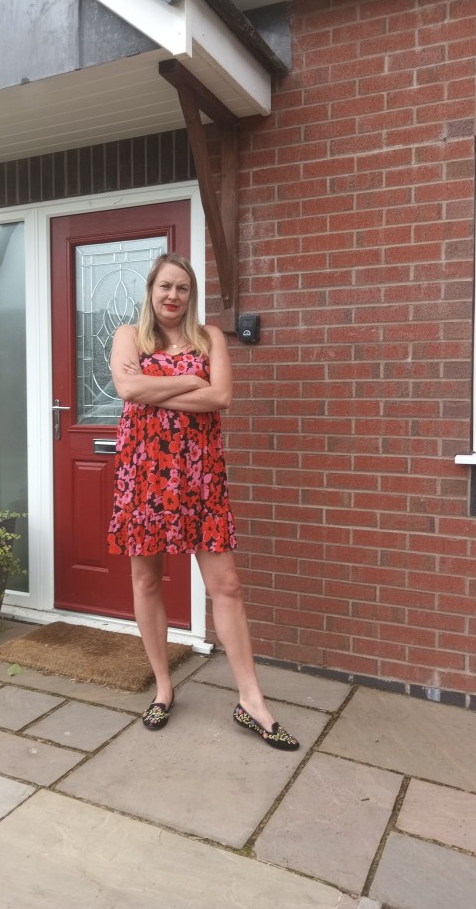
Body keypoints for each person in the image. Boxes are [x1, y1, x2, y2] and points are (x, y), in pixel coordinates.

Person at [107, 252, 299, 751]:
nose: (173, 296)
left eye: (183, 288)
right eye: (165, 286)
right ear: (151, 289)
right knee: (146, 579)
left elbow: (221, 399)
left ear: (192, 296)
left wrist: (159, 392)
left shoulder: (210, 337)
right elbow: (126, 387)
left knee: (227, 586)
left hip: (199, 476)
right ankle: (164, 688)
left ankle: (251, 700)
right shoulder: (129, 336)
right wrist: (190, 381)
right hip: (145, 474)